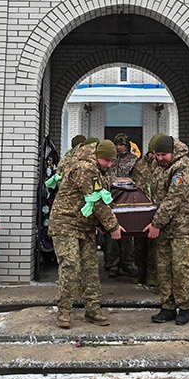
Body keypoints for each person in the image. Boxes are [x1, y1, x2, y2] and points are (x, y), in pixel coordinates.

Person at [48, 139, 123, 329]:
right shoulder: (85, 168)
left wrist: (99, 223)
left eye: (112, 161)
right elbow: (96, 200)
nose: (110, 164)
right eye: (107, 161)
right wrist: (113, 226)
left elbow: (98, 201)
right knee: (71, 267)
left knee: (90, 268)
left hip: (84, 225)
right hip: (66, 224)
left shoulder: (99, 170)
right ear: (98, 157)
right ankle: (64, 312)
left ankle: (93, 311)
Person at [144, 135, 189, 326]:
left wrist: (156, 223)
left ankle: (184, 307)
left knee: (180, 269)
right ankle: (167, 307)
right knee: (163, 269)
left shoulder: (184, 168)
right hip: (165, 227)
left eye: (163, 154)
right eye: (157, 155)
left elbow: (173, 199)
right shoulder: (162, 168)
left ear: (173, 151)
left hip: (183, 228)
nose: (160, 158)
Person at [131, 134, 164, 288]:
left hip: (156, 211)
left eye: (155, 153)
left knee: (154, 247)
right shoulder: (139, 165)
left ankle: (152, 277)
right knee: (139, 245)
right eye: (151, 153)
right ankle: (140, 273)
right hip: (141, 211)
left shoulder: (162, 166)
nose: (153, 156)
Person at [104, 133, 137, 278]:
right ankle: (112, 264)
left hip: (127, 198)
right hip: (111, 198)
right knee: (111, 233)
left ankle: (128, 263)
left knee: (128, 233)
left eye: (122, 145)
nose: (119, 147)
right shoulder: (110, 159)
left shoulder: (133, 160)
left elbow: (137, 178)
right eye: (117, 144)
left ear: (127, 145)